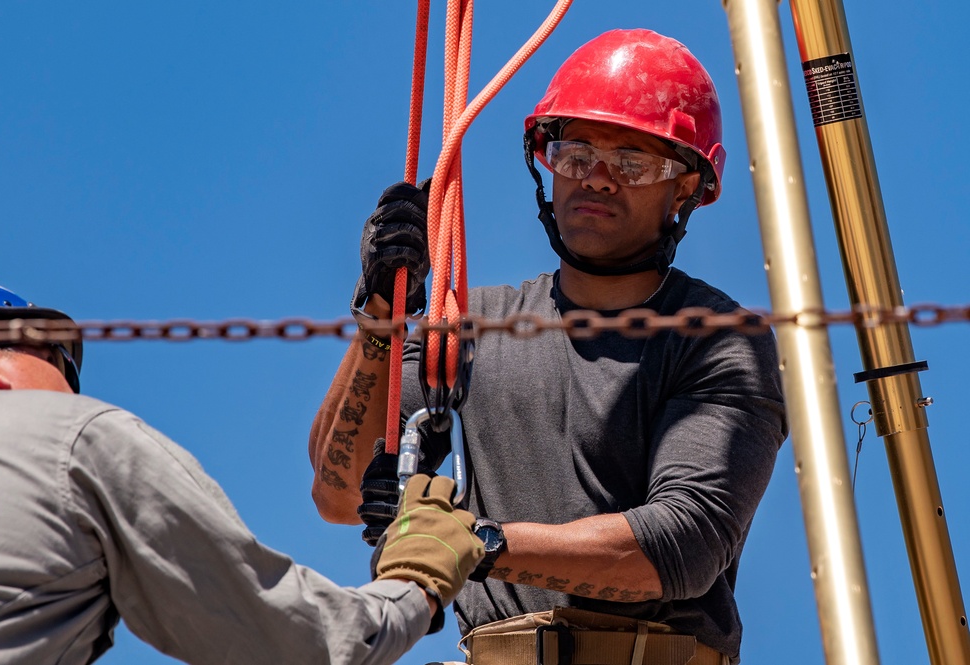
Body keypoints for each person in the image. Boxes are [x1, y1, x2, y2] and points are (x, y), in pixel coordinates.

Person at [309, 29, 788, 665]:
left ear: (686, 188)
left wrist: (477, 543)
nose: (598, 179)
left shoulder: (716, 340)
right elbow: (339, 494)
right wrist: (381, 314)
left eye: (632, 163)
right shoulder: (469, 326)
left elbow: (682, 547)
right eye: (575, 153)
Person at [0, 276, 484, 665]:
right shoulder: (71, 436)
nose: (70, 387)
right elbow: (291, 643)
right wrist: (416, 581)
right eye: (55, 358)